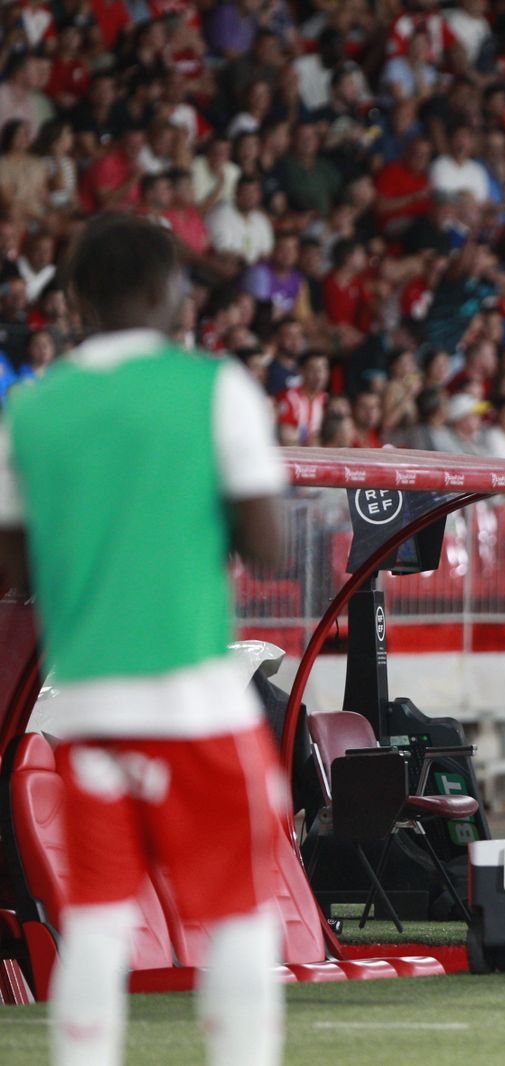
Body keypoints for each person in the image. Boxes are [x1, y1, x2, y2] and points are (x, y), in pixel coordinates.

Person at [0, 214, 286, 1066]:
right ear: (171, 293)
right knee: (239, 914)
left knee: (95, 918)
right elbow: (267, 541)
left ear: (75, 300)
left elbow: (14, 566)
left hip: (89, 708)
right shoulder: (215, 388)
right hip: (194, 701)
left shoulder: (32, 408)